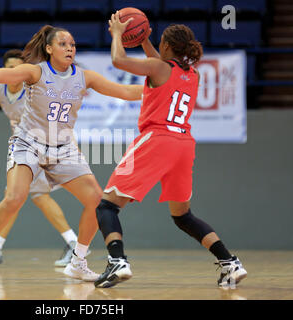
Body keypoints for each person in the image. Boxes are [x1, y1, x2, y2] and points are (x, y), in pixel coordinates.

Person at [0, 25, 143, 282]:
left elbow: (125, 92)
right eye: (63, 44)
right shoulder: (35, 72)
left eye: (73, 45)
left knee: (96, 201)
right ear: (48, 48)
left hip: (63, 147)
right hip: (28, 143)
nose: (70, 48)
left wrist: (161, 86)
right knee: (15, 198)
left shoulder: (85, 76)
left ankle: (78, 261)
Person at [93, 13, 247, 288]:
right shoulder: (192, 73)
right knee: (183, 216)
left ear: (166, 47)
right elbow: (161, 62)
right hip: (183, 145)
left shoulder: (157, 68)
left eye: (160, 43)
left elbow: (117, 60)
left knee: (107, 206)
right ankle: (230, 262)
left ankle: (118, 261)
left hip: (156, 140)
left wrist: (118, 33)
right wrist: (145, 39)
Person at [0, 48, 86, 267]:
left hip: (41, 146)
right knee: (18, 198)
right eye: (10, 67)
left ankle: (71, 243)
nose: (14, 71)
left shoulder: (34, 87)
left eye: (17, 67)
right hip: (22, 149)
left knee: (30, 197)